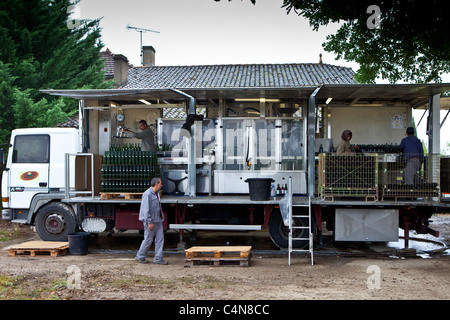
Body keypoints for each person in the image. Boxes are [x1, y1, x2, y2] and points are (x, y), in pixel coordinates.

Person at [135, 177, 168, 265]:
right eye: (160, 183)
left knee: (160, 238)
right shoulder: (147, 194)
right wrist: (149, 222)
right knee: (148, 239)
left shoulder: (156, 193)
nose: (162, 185)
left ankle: (158, 258)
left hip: (157, 219)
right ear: (156, 184)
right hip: (151, 220)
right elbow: (145, 210)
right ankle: (140, 256)